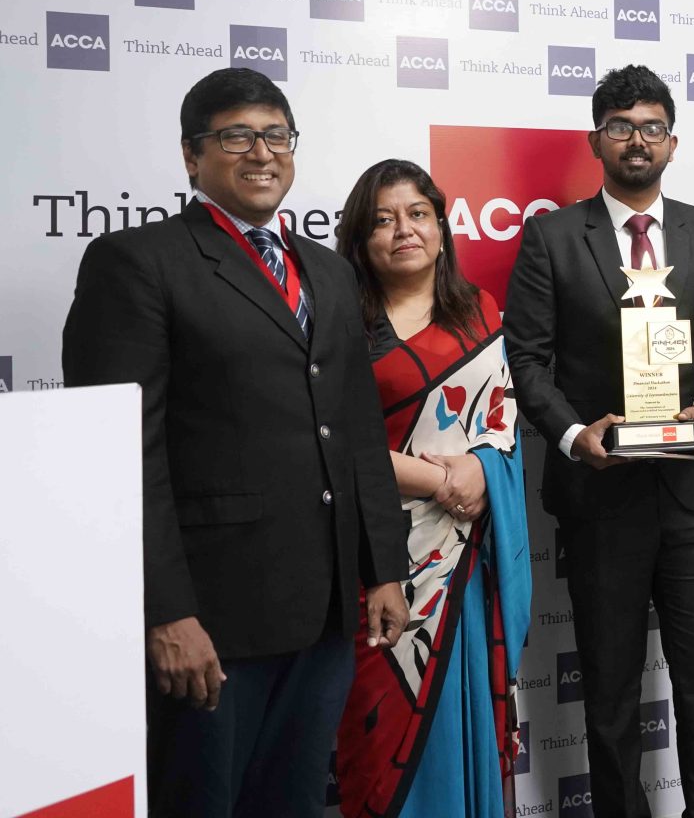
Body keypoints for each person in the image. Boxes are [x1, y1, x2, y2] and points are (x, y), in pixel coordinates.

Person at [61, 67, 409, 818]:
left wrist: (383, 568)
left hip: (323, 612)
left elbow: (355, 430)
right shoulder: (139, 261)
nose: (262, 153)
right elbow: (118, 456)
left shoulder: (327, 271)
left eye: (277, 135)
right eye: (237, 137)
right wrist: (163, 612)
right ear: (192, 156)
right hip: (210, 620)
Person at [503, 64, 694, 818]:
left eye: (651, 127)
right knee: (609, 689)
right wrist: (572, 434)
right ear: (596, 141)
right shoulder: (552, 236)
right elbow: (527, 360)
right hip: (601, 495)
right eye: (620, 127)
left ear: (672, 142)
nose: (637, 140)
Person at [332, 159, 533, 817]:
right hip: (378, 559)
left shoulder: (480, 312)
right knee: (382, 734)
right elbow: (329, 439)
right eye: (383, 220)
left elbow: (502, 427)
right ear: (360, 239)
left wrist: (483, 467)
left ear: (442, 229)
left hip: (464, 564)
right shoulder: (340, 325)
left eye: (418, 214)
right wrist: (442, 478)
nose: (404, 230)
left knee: (462, 713)